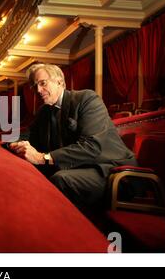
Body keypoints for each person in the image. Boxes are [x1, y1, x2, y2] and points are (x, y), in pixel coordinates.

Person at [9, 63, 137, 210]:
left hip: (114, 172)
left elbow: (91, 146)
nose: (38, 90)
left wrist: (41, 158)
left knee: (61, 179)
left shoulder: (87, 99)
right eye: (34, 87)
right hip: (79, 168)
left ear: (60, 82)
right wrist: (14, 144)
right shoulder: (44, 111)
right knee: (30, 172)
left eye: (43, 83)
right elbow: (27, 135)